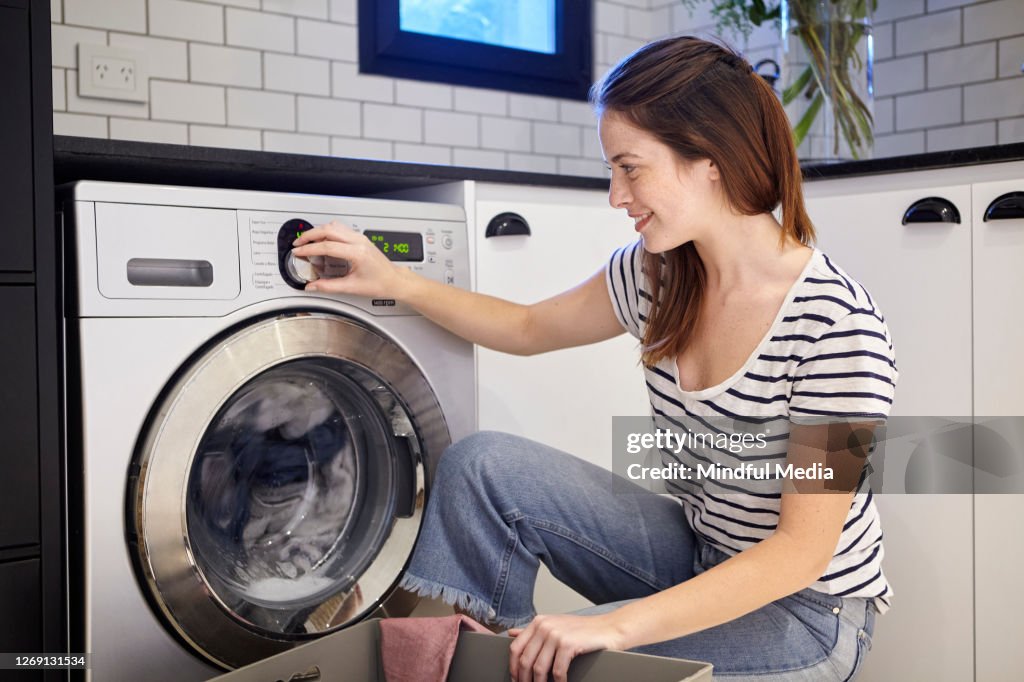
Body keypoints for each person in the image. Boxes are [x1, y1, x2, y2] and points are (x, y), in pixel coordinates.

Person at [291, 35, 897, 682]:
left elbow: (798, 556)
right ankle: (465, 664)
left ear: (709, 159)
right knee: (483, 468)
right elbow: (526, 327)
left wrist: (611, 625)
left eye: (630, 168)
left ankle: (511, 668)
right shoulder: (658, 275)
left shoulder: (836, 328)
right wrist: (396, 282)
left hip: (808, 614)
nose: (615, 195)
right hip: (703, 554)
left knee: (583, 663)